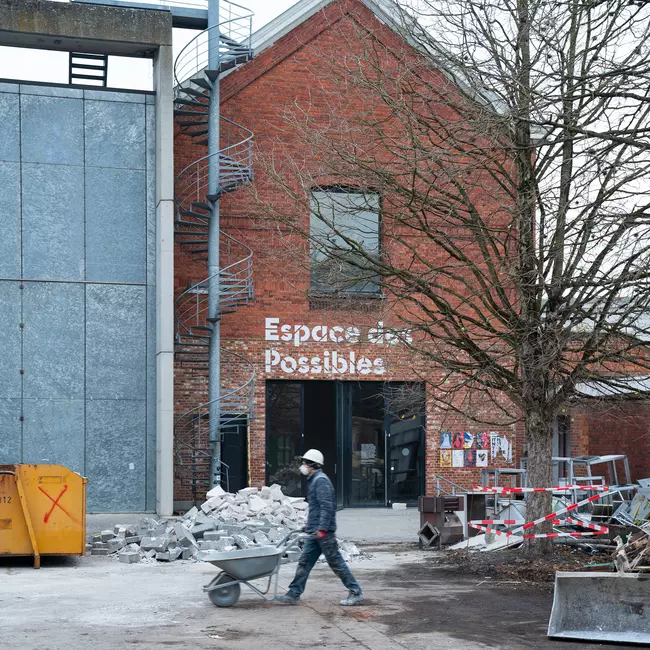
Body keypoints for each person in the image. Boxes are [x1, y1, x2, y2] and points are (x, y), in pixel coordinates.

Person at [276, 449, 364, 606]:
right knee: (304, 562)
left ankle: (356, 592)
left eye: (304, 463)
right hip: (314, 532)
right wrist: (308, 527)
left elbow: (327, 507)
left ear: (312, 465)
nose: (302, 466)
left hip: (324, 534)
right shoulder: (314, 480)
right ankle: (294, 594)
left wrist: (322, 529)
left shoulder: (321, 481)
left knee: (336, 563)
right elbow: (316, 509)